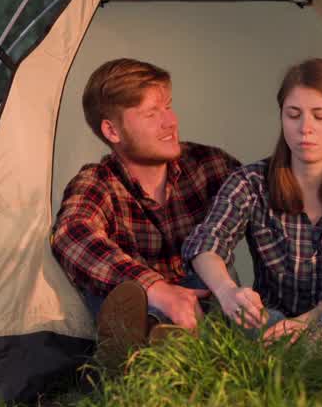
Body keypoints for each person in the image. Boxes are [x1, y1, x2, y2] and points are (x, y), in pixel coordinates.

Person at [183, 58, 322, 346]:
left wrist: (307, 323)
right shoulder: (251, 181)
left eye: (320, 115)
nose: (305, 128)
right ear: (281, 118)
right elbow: (207, 242)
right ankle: (317, 348)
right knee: (209, 281)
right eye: (293, 115)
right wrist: (228, 292)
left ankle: (321, 343)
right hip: (269, 320)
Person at [51, 58, 239, 364]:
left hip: (203, 298)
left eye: (168, 106)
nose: (170, 122)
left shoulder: (208, 164)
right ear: (112, 131)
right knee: (117, 293)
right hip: (142, 303)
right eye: (152, 114)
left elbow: (264, 198)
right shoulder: (98, 181)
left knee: (213, 277)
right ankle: (144, 340)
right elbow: (71, 234)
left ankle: (159, 345)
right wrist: (156, 289)